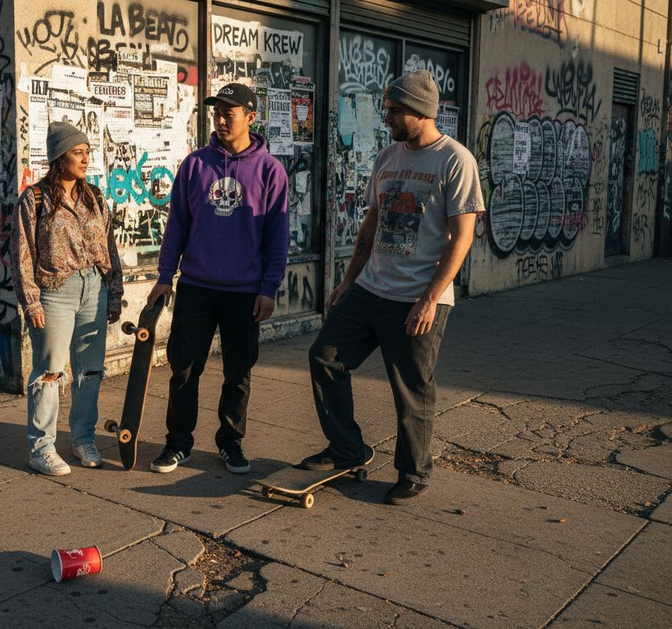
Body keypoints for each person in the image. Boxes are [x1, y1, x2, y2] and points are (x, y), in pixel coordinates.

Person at [299, 70, 483, 505]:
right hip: (371, 288)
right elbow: (372, 223)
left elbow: (463, 238)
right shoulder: (387, 157)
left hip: (418, 297)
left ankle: (414, 470)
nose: (388, 117)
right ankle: (348, 449)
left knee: (411, 387)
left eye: (395, 110)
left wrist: (430, 298)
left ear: (420, 111)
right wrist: (348, 280)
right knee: (324, 357)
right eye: (388, 109)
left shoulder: (455, 161)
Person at [146, 83, 289, 475]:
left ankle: (230, 443)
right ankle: (178, 444)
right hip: (197, 285)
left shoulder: (270, 171)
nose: (221, 118)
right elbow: (176, 224)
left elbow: (278, 234)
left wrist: (269, 287)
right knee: (183, 370)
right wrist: (164, 276)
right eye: (217, 112)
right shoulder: (195, 165)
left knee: (238, 373)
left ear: (250, 117)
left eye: (230, 112)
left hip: (244, 292)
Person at [13, 121, 123, 476]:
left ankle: (82, 438)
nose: (85, 159)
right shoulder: (35, 198)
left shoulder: (95, 196)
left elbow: (108, 246)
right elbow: (22, 254)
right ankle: (41, 448)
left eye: (87, 152)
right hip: (55, 292)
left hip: (94, 286)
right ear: (59, 157)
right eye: (78, 153)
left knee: (90, 371)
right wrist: (30, 301)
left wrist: (114, 291)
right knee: (49, 372)